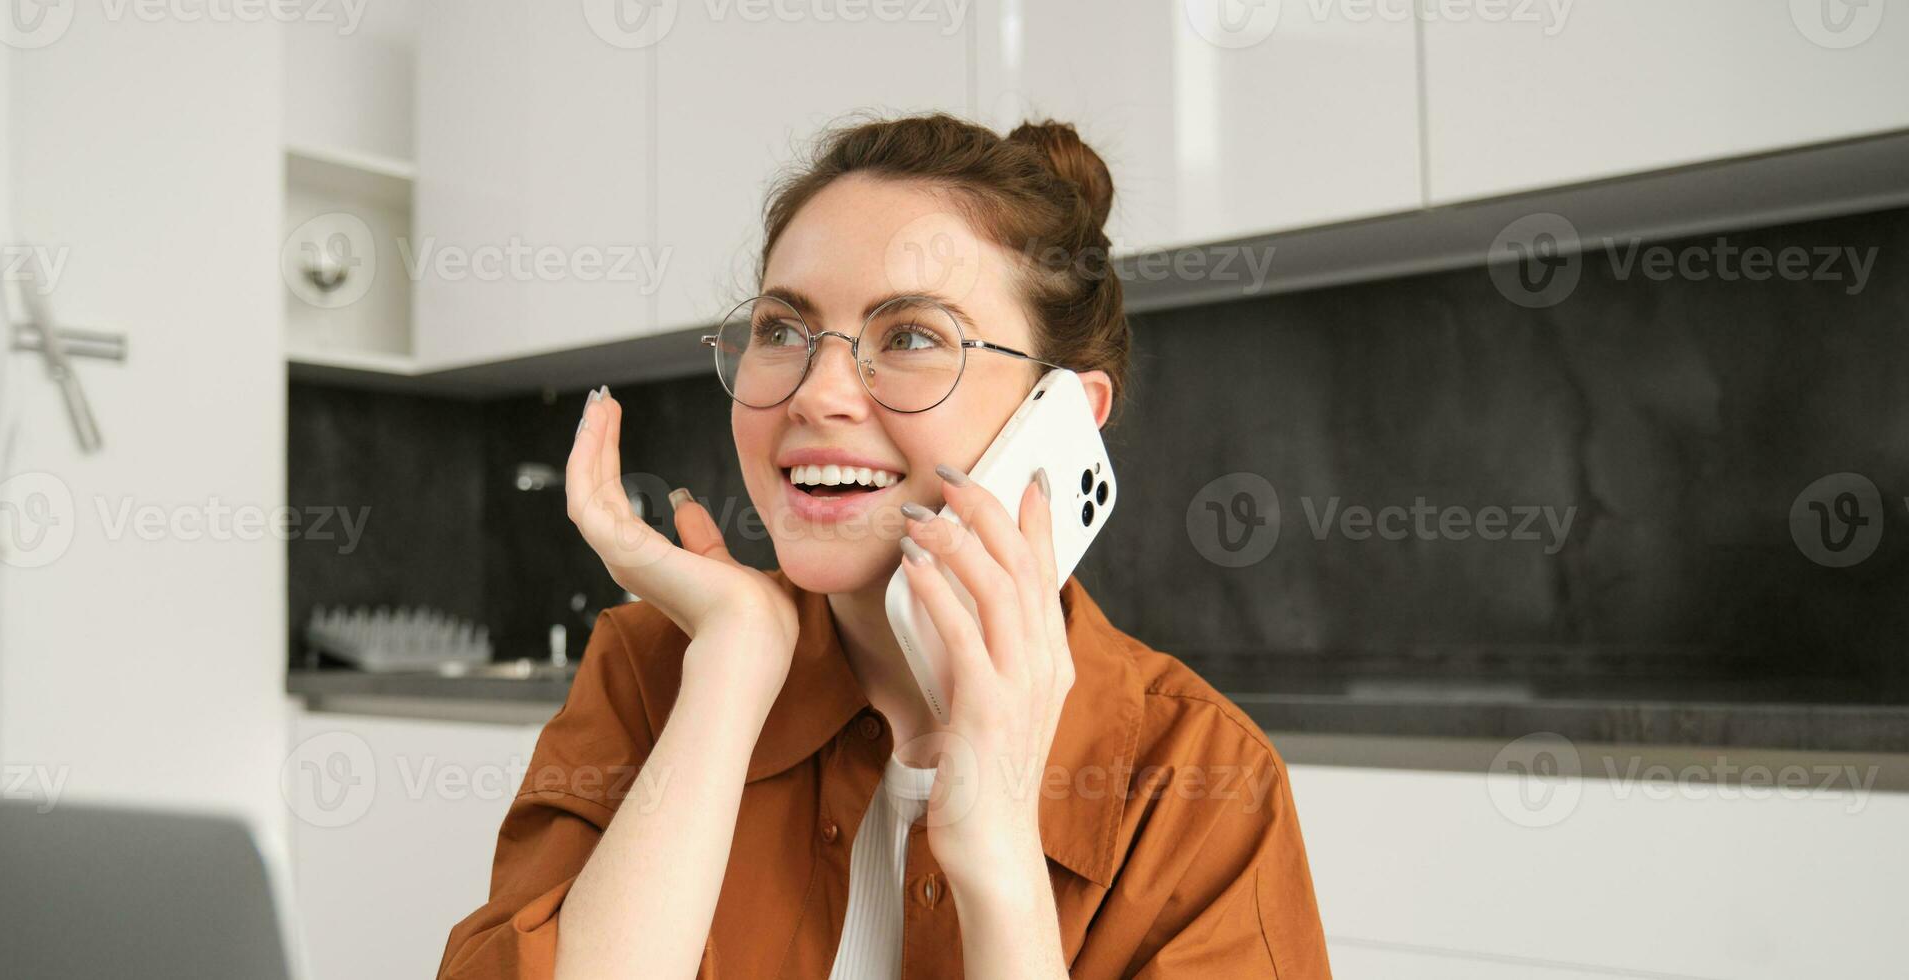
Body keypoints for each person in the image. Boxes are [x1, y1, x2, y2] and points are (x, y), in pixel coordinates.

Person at [439, 114, 1332, 979]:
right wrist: (731, 674)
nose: (816, 393)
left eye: (910, 337)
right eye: (782, 330)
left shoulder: (1199, 777)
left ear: (1062, 417)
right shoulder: (652, 673)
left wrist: (1002, 873)